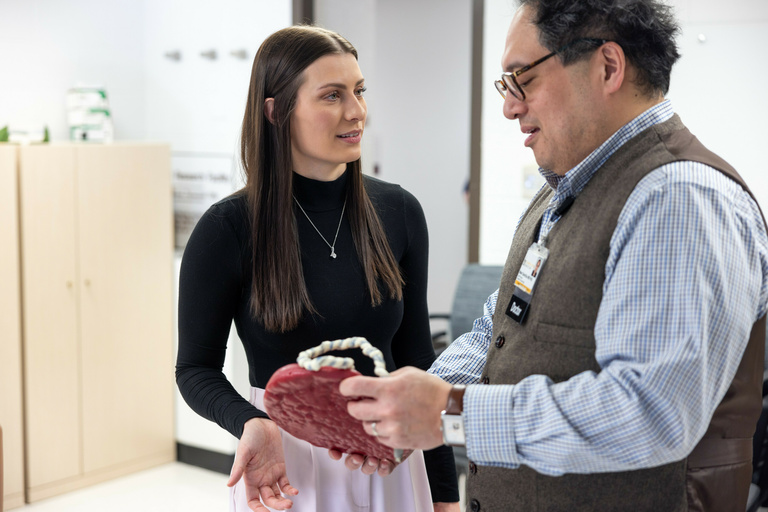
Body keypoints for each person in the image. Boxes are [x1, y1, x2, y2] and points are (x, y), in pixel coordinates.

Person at [339, 1, 768, 511]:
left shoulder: (678, 196)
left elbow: (650, 412)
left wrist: (450, 413)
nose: (510, 106)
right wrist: (412, 403)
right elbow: (499, 330)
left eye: (521, 78)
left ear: (608, 66)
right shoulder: (562, 191)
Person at [176, 25, 459, 512]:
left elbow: (416, 359)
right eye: (332, 95)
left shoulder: (399, 212)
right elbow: (195, 368)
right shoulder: (228, 228)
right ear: (275, 111)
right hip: (285, 465)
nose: (356, 112)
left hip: (390, 459)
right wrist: (250, 421)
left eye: (359, 91)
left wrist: (445, 499)